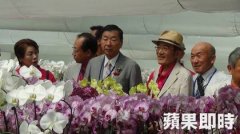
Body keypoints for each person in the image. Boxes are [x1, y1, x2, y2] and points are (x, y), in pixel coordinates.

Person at [85, 24, 143, 93]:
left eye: (113, 40)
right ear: (100, 41)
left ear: (121, 43)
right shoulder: (92, 63)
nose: (108, 43)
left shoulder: (131, 66)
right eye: (105, 39)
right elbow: (85, 91)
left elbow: (137, 97)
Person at [147, 30, 192, 98]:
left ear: (177, 53)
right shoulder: (155, 72)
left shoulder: (184, 75)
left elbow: (184, 105)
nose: (160, 52)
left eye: (165, 48)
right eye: (158, 47)